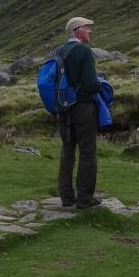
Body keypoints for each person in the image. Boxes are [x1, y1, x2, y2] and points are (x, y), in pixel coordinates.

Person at [56, 16, 102, 209]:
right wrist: (101, 84)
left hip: (64, 108)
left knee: (67, 151)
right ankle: (84, 198)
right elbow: (91, 84)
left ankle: (66, 197)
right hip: (83, 107)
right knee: (87, 152)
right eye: (87, 28)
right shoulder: (84, 50)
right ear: (77, 31)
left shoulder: (60, 50)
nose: (90, 31)